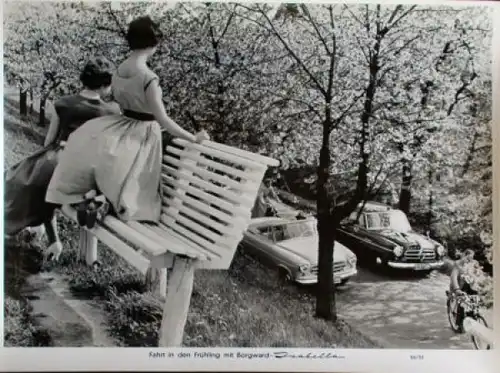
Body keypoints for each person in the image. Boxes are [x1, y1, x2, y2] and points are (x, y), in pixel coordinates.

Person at [45, 16, 209, 228]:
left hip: (122, 127)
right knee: (140, 199)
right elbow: (163, 120)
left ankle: (99, 201)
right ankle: (109, 203)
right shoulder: (148, 78)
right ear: (153, 44)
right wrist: (193, 137)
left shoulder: (119, 70)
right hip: (143, 135)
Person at [4, 57, 121, 261]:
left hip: (58, 158)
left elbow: (49, 140)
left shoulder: (62, 104)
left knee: (35, 177)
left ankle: (50, 237)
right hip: (88, 169)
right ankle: (86, 206)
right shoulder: (111, 111)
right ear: (104, 84)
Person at [448, 249, 477, 330]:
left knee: (473, 301)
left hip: (468, 285)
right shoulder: (457, 264)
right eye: (468, 258)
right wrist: (457, 289)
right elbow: (453, 277)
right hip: (458, 286)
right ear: (464, 256)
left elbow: (475, 275)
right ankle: (459, 325)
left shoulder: (471, 264)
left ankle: (471, 318)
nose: (469, 260)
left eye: (471, 258)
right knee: (462, 303)